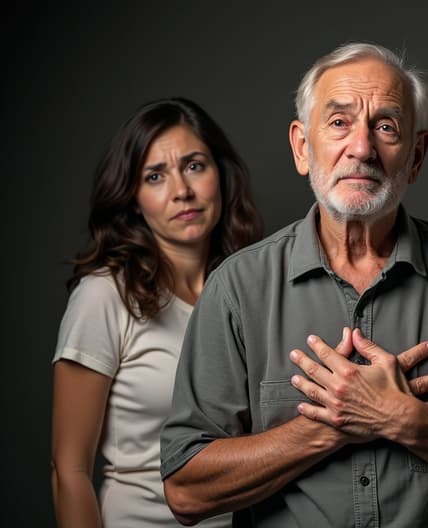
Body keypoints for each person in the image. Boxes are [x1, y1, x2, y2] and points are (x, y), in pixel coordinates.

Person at [160, 42, 428, 528]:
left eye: (386, 126)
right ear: (301, 146)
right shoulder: (237, 287)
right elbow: (185, 490)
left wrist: (412, 423)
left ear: (416, 156)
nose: (361, 148)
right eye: (338, 123)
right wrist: (330, 424)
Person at [50, 97, 263, 527]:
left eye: (194, 165)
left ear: (220, 174)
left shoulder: (253, 289)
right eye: (155, 176)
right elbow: (68, 470)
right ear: (133, 197)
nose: (181, 191)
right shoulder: (104, 296)